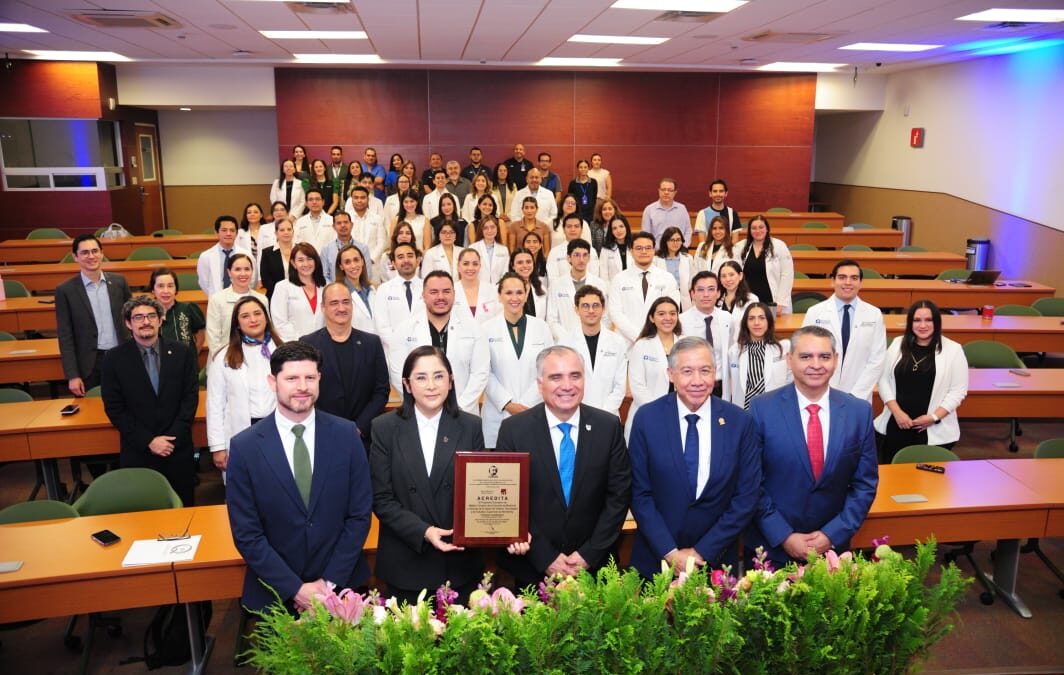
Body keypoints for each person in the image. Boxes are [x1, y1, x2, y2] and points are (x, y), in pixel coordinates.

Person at [226, 341, 374, 613]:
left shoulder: (346, 435)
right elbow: (247, 533)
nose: (302, 386)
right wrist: (295, 589)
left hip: (342, 588)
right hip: (275, 594)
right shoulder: (245, 447)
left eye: (310, 377)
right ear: (273, 381)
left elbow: (359, 515)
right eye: (292, 378)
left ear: (320, 380)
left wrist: (328, 584)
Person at [370, 347, 514, 605]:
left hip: (458, 562)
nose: (431, 385)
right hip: (406, 560)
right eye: (421, 377)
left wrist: (503, 526)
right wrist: (424, 531)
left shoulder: (470, 425)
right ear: (407, 384)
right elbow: (381, 499)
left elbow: (481, 493)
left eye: (439, 376)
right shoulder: (384, 428)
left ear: (450, 380)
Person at [495, 345, 631, 589]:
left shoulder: (608, 427)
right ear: (540, 384)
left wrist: (588, 555)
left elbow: (618, 497)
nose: (567, 385)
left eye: (575, 376)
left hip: (595, 568)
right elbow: (508, 501)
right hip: (532, 569)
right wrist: (545, 557)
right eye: (555, 377)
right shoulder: (514, 430)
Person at [746, 325, 879, 568]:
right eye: (806, 356)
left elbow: (865, 484)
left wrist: (832, 535)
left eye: (824, 356)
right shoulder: (761, 409)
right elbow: (751, 482)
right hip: (771, 550)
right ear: (789, 360)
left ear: (835, 360)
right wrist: (784, 535)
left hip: (832, 550)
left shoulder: (858, 412)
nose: (816, 364)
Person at [628, 337, 761, 576]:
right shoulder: (647, 419)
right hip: (656, 562)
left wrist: (703, 552)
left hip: (717, 562)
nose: (697, 381)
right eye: (687, 371)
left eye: (705, 371)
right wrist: (669, 552)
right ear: (671, 374)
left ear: (715, 373)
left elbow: (746, 497)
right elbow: (640, 494)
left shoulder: (739, 422)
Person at [101, 296, 199, 506]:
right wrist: (149, 441)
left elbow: (190, 398)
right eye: (138, 317)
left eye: (151, 316)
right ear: (128, 323)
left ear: (160, 319)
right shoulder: (113, 359)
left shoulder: (182, 353)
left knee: (184, 513)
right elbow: (115, 408)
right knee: (142, 514)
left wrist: (171, 438)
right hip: (139, 450)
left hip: (177, 448)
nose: (146, 321)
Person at [874, 300, 968, 464]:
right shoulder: (897, 344)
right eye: (917, 320)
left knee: (929, 483)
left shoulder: (953, 350)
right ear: (910, 323)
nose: (922, 325)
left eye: (928, 320)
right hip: (897, 423)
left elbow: (957, 391)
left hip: (933, 428)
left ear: (937, 322)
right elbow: (883, 380)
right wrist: (897, 412)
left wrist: (933, 417)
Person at [388, 271, 489, 416]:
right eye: (434, 292)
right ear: (423, 295)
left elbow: (480, 373)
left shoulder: (473, 328)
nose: (440, 297)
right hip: (421, 412)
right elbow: (398, 374)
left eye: (446, 291)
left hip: (464, 412)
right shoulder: (404, 330)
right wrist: (424, 405)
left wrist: (460, 407)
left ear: (454, 294)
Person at [301, 283, 390, 446]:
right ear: (323, 308)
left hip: (365, 438)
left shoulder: (372, 343)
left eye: (346, 302)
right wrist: (332, 427)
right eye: (334, 303)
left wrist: (359, 427)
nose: (341, 308)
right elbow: (305, 390)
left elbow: (381, 391)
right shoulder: (308, 344)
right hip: (323, 434)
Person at [207, 296, 280, 474]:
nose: (253, 320)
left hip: (279, 429)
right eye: (245, 316)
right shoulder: (223, 356)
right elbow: (215, 404)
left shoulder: (283, 349)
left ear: (266, 317)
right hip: (243, 432)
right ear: (237, 323)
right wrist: (217, 446)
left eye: (257, 313)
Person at [481, 273, 554, 447]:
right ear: (499, 296)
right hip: (498, 413)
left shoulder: (542, 327)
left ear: (527, 293)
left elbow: (548, 370)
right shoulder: (485, 329)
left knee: (533, 469)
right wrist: (507, 403)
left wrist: (526, 403)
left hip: (533, 409)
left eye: (519, 292)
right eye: (509, 293)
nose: (515, 298)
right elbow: (483, 372)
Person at [801, 260, 886, 402]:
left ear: (860, 283)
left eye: (854, 278)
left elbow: (877, 359)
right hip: (820, 392)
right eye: (842, 277)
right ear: (832, 281)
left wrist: (856, 395)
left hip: (860, 395)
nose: (848, 282)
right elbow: (805, 353)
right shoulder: (815, 312)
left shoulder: (874, 314)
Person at [56, 234, 131, 397]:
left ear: (102, 253)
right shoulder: (65, 291)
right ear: (75, 257)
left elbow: (132, 321)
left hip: (122, 357)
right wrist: (72, 375)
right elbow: (65, 335)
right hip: (89, 364)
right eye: (85, 253)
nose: (91, 256)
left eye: (95, 251)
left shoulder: (119, 283)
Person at [558, 286, 627, 419]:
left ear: (603, 309)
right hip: (575, 415)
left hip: (609, 415)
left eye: (595, 305)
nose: (591, 310)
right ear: (576, 309)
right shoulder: (565, 343)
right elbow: (564, 385)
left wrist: (603, 414)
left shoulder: (617, 342)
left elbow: (620, 387)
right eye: (585, 306)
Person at [607, 231, 682, 344]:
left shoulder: (667, 278)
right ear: (631, 251)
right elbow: (615, 312)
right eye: (639, 248)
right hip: (626, 341)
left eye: (648, 248)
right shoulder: (619, 279)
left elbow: (672, 311)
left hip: (659, 339)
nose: (644, 251)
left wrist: (652, 337)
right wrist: (638, 336)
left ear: (654, 251)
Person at [626, 296, 682, 438]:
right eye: (661, 314)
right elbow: (637, 385)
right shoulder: (642, 345)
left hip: (679, 414)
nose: (668, 318)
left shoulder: (685, 344)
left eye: (672, 313)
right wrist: (658, 412)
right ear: (652, 318)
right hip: (648, 413)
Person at [727, 302, 792, 409]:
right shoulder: (734, 351)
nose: (756, 323)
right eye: (751, 318)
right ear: (745, 323)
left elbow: (791, 380)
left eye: (762, 318)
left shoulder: (784, 347)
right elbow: (731, 386)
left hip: (775, 408)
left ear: (769, 321)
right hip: (745, 410)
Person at [679, 271, 732, 397]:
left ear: (718, 293)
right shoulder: (681, 321)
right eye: (700, 290)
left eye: (711, 289)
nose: (706, 295)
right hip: (693, 387)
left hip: (720, 386)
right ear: (692, 294)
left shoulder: (728, 318)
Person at [206, 253, 267, 357]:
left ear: (252, 272)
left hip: (257, 357)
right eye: (237, 269)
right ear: (229, 272)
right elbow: (214, 339)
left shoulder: (262, 299)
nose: (243, 273)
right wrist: (226, 360)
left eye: (247, 269)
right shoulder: (217, 299)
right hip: (225, 359)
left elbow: (267, 332)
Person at [546, 238, 607, 340]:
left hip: (594, 339)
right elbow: (552, 319)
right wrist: (568, 339)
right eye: (576, 255)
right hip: (565, 342)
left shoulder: (599, 284)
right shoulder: (556, 285)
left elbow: (605, 317)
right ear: (569, 258)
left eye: (585, 255)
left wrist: (594, 336)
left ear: (589, 258)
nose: (581, 260)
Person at [733, 215, 794, 314]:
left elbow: (787, 275)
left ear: (767, 229)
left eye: (761, 227)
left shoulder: (779, 246)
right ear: (749, 231)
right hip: (747, 300)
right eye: (754, 228)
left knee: (771, 327)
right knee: (749, 326)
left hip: (772, 301)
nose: (758, 231)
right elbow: (735, 273)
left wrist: (780, 302)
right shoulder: (740, 247)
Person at [271, 242, 326, 342]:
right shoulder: (282, 287)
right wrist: (301, 340)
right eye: (300, 260)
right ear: (293, 263)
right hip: (295, 345)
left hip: (323, 343)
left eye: (310, 259)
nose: (306, 264)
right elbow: (280, 323)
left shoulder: (326, 286)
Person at [372, 242, 424, 348]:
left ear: (418, 261)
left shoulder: (428, 287)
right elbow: (381, 326)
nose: (406, 260)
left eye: (410, 256)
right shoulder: (384, 290)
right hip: (394, 352)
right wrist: (398, 346)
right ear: (394, 264)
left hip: (424, 348)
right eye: (400, 257)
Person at [151, 267, 205, 354]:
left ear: (176, 289)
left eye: (170, 286)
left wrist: (190, 359)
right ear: (153, 290)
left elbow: (200, 338)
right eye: (160, 286)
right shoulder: (147, 315)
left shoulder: (189, 309)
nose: (166, 291)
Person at [197, 215, 252, 298]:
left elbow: (252, 280)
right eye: (224, 230)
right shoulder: (206, 256)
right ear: (216, 233)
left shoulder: (246, 254)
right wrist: (217, 298)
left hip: (241, 299)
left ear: (237, 233)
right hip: (217, 301)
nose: (228, 233)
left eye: (232, 230)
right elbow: (204, 282)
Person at [320, 211, 373, 285]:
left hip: (359, 292)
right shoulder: (326, 249)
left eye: (345, 222)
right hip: (335, 293)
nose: (343, 225)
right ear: (333, 227)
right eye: (339, 223)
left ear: (351, 225)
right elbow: (324, 276)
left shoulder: (363, 248)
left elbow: (368, 274)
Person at [452, 247, 501, 324]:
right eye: (466, 264)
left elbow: (499, 318)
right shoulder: (450, 291)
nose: (470, 268)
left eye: (475, 264)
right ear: (458, 266)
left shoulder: (492, 290)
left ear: (480, 266)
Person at [336, 244, 376, 334]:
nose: (353, 265)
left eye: (356, 260)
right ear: (341, 266)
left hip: (375, 343)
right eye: (347, 262)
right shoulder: (338, 293)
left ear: (362, 261)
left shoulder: (371, 290)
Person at [546, 213, 600, 280]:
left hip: (587, 289)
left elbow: (594, 276)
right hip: (561, 289)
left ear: (582, 229)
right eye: (569, 226)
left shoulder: (591, 251)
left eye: (576, 226)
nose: (573, 229)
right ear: (563, 229)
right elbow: (552, 279)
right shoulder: (554, 252)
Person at [641, 178, 689, 247]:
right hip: (657, 252)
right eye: (663, 189)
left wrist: (683, 247)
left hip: (678, 251)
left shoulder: (682, 209)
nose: (666, 192)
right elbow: (645, 234)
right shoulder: (649, 210)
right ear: (659, 191)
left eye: (670, 190)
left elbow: (688, 230)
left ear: (675, 193)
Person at [654, 226, 694, 308]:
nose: (675, 243)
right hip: (663, 298)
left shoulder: (688, 258)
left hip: (683, 300)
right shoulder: (656, 260)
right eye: (672, 240)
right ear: (665, 241)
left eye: (678, 240)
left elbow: (692, 279)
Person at [259, 217, 295, 301]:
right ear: (276, 233)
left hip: (299, 295)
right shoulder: (267, 253)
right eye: (282, 230)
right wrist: (282, 292)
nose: (286, 232)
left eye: (289, 229)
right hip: (275, 296)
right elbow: (266, 280)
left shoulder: (301, 251)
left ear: (293, 232)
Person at [468, 215, 510, 286]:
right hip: (478, 288)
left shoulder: (504, 250)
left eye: (492, 227)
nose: (489, 231)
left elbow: (505, 272)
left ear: (497, 228)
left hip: (498, 289)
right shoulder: (473, 248)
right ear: (481, 230)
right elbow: (470, 271)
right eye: (486, 228)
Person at [509, 246, 547, 318]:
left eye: (528, 262)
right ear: (513, 266)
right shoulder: (503, 288)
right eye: (520, 262)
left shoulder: (542, 288)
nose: (525, 266)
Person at [376, 221, 416, 285]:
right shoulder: (386, 257)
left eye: (408, 233)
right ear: (395, 236)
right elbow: (383, 279)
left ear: (412, 237)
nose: (404, 236)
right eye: (400, 233)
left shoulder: (418, 256)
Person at [392, 188, 429, 252]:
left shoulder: (424, 220)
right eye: (406, 202)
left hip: (420, 259)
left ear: (417, 202)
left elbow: (427, 246)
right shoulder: (395, 220)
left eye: (412, 201)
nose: (409, 205)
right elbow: (392, 244)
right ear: (402, 203)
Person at [598, 213, 632, 283]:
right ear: (611, 231)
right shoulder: (605, 250)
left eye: (621, 226)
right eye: (614, 228)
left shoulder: (634, 246)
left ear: (626, 227)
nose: (618, 231)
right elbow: (603, 276)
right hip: (613, 290)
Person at [567, 159, 598, 225]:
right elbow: (570, 199)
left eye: (585, 167)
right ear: (578, 169)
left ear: (588, 168)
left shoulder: (593, 182)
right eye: (581, 167)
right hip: (577, 213)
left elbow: (594, 197)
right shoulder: (573, 183)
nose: (583, 169)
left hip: (590, 213)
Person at [493, 162, 518, 227]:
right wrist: (498, 215)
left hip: (510, 220)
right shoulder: (490, 186)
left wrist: (509, 216)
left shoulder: (513, 186)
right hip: (495, 221)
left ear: (507, 172)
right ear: (496, 172)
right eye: (500, 170)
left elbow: (516, 203)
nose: (502, 172)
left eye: (505, 170)